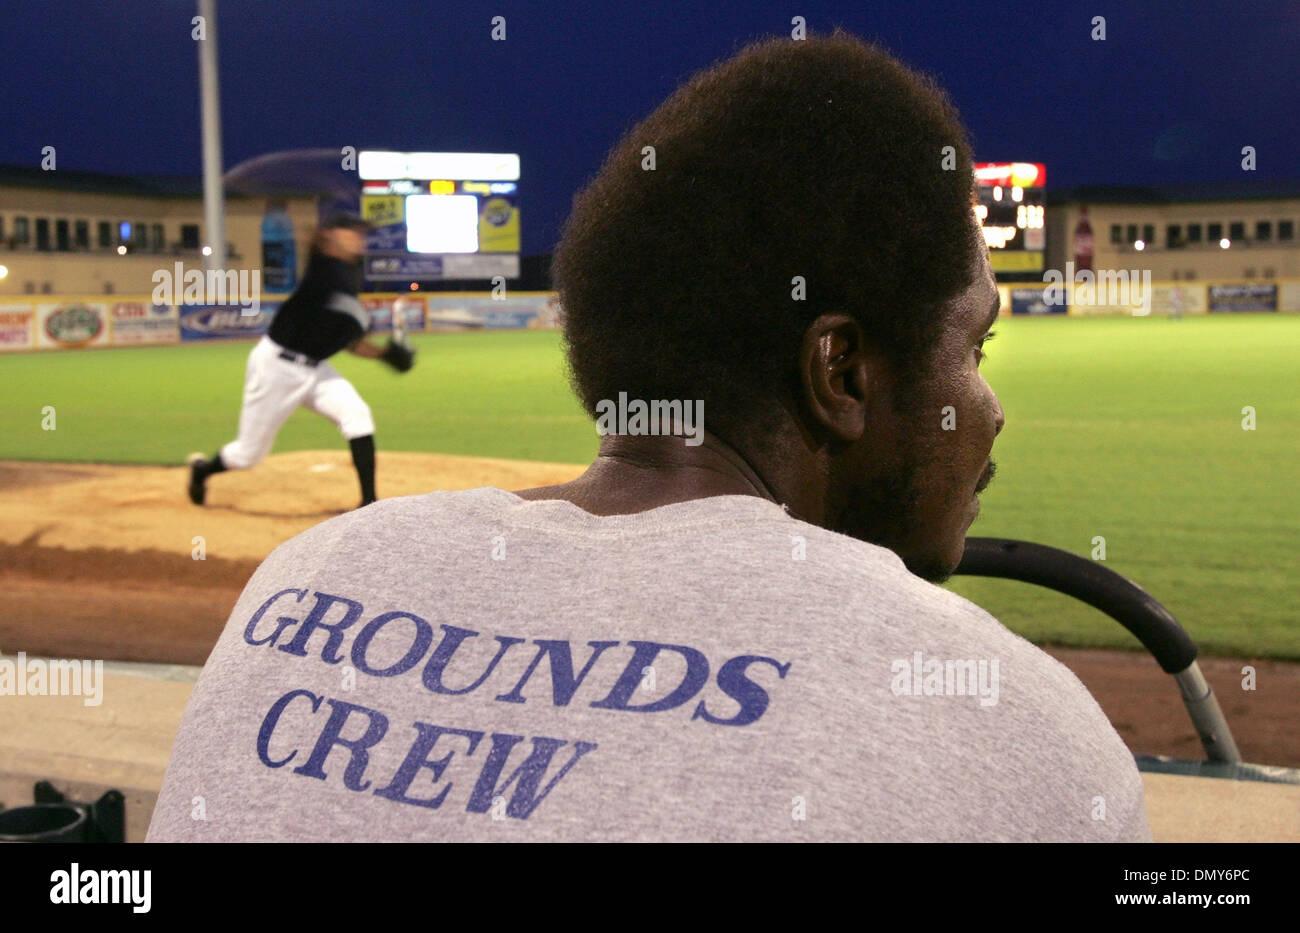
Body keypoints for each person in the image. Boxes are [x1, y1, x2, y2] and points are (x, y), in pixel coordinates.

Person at [149, 32, 1151, 842]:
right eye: (973, 347)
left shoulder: (301, 580)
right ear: (839, 370)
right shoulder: (1021, 727)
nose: (990, 407)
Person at [185, 213, 414, 509]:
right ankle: (203, 470)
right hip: (276, 368)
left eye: (361, 233)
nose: (360, 238)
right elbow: (321, 260)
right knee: (248, 455)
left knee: (358, 415)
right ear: (329, 237)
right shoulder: (323, 269)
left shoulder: (347, 276)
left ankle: (368, 504)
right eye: (351, 232)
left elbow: (350, 344)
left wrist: (386, 355)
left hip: (315, 369)